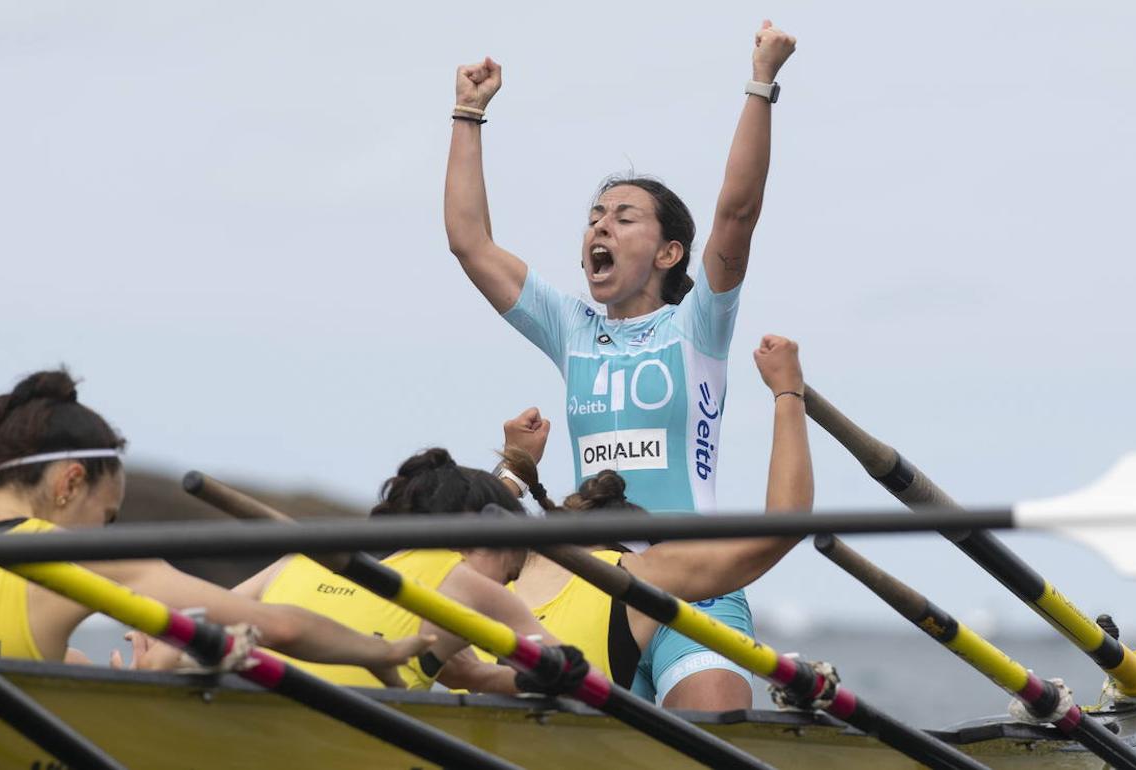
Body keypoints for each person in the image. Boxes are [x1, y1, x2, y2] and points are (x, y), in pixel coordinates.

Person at [444, 20, 797, 708]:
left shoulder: (699, 328)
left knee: (713, 732)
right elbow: (469, 242)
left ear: (668, 254)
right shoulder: (570, 329)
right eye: (595, 216)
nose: (599, 226)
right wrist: (467, 113)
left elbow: (737, 214)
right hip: (593, 591)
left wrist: (761, 83)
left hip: (693, 584)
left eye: (624, 217)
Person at [0, 370, 431, 684]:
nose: (104, 533)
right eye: (107, 517)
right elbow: (280, 625)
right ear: (71, 481)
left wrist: (145, 677)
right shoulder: (83, 559)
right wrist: (383, 652)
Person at [497, 335, 812, 688]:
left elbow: (466, 521)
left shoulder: (494, 561)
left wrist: (515, 469)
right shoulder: (637, 573)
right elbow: (785, 526)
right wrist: (788, 393)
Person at [229, 448, 576, 693]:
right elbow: (575, 672)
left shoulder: (297, 561)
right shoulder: (464, 582)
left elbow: (464, 675)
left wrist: (518, 681)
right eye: (510, 575)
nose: (506, 587)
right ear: (486, 536)